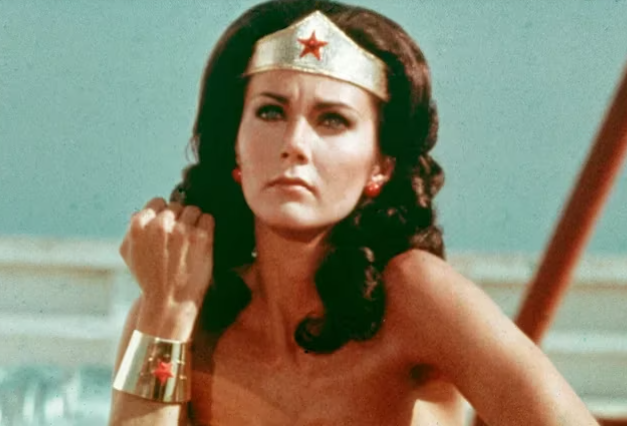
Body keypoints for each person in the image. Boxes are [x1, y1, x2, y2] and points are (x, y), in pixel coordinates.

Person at [109, 1, 600, 425]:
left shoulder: (416, 295)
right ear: (235, 145)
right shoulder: (179, 313)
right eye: (271, 112)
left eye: (333, 120)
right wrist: (167, 314)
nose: (295, 144)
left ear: (381, 166)